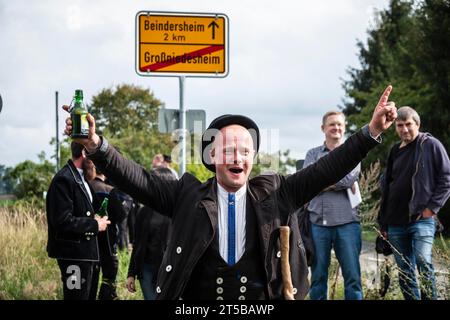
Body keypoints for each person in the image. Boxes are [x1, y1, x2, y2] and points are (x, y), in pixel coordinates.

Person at [64, 85, 397, 300]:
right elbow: (136, 178)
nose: (236, 157)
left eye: (244, 150)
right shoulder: (186, 194)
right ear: (211, 157)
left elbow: (328, 168)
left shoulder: (277, 192)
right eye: (228, 150)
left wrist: (370, 134)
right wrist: (95, 145)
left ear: (252, 158)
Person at [378, 106, 450, 300]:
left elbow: (446, 179)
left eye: (408, 124)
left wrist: (431, 209)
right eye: (400, 125)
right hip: (395, 221)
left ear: (417, 124)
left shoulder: (431, 145)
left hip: (421, 218)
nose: (404, 129)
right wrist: (383, 223)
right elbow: (387, 187)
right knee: (404, 270)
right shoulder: (395, 150)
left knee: (422, 261)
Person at [303, 111, 363, 300]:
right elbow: (308, 181)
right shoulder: (312, 154)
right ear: (323, 128)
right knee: (318, 277)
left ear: (344, 128)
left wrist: (321, 182)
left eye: (339, 124)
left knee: (352, 277)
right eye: (332, 125)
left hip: (347, 223)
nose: (336, 128)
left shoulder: (353, 152)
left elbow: (348, 180)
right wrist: (329, 181)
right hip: (317, 223)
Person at [46, 142, 110, 300]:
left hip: (88, 256)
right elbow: (62, 222)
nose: (96, 157)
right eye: (93, 152)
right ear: (84, 152)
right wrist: (95, 224)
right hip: (73, 258)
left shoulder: (82, 178)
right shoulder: (64, 179)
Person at [126, 167, 177, 300]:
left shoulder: (178, 211)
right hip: (146, 269)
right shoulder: (143, 211)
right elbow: (137, 244)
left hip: (170, 270)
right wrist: (131, 274)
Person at [89, 166, 128, 300]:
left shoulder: (85, 187)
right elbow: (121, 215)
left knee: (90, 277)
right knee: (109, 276)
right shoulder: (109, 190)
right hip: (107, 240)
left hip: (87, 240)